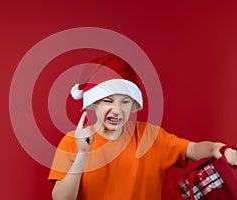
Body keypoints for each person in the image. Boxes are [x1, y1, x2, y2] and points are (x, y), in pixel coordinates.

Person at [48, 54, 237, 200]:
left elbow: (194, 149)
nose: (117, 110)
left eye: (125, 102)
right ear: (92, 104)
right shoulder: (73, 142)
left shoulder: (150, 136)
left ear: (134, 105)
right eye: (108, 101)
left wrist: (218, 149)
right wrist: (82, 154)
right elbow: (61, 198)